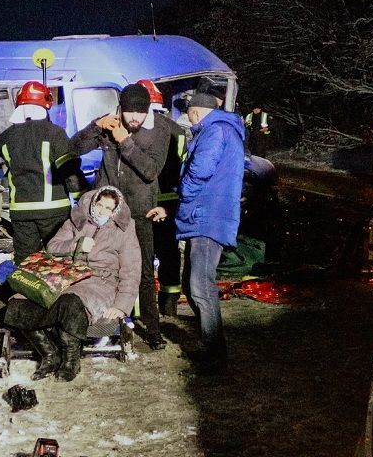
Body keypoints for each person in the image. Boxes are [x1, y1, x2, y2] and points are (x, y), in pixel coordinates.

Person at [68, 83, 171, 349]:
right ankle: (93, 322)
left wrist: (125, 140)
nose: (134, 118)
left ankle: (153, 329)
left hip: (139, 212)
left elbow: (150, 170)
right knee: (98, 265)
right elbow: (74, 147)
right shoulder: (109, 122)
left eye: (140, 113)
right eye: (129, 112)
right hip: (106, 212)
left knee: (144, 274)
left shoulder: (159, 128)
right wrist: (96, 125)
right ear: (121, 109)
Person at [2, 187, 140, 381]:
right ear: (93, 202)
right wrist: (76, 244)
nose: (101, 211)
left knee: (72, 302)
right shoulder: (78, 219)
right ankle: (49, 354)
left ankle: (71, 361)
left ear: (115, 211)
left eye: (108, 208)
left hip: (100, 281)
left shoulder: (124, 229)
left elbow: (132, 270)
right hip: (67, 276)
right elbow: (53, 246)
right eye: (99, 205)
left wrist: (121, 306)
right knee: (20, 301)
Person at [176, 91, 245, 375]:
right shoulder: (224, 130)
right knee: (192, 284)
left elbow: (200, 170)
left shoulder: (214, 131)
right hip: (207, 216)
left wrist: (184, 194)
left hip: (206, 217)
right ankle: (211, 346)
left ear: (194, 112)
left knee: (201, 286)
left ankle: (216, 355)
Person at [0, 81, 81, 262]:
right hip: (53, 210)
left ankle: (24, 290)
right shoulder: (55, 134)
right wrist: (81, 197)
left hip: (21, 211)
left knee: (26, 263)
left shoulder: (5, 138)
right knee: (59, 257)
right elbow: (69, 171)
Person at [138, 79, 189, 317]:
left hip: (145, 200)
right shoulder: (177, 131)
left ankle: (140, 308)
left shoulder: (139, 130)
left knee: (142, 255)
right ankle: (169, 306)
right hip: (170, 200)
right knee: (169, 254)